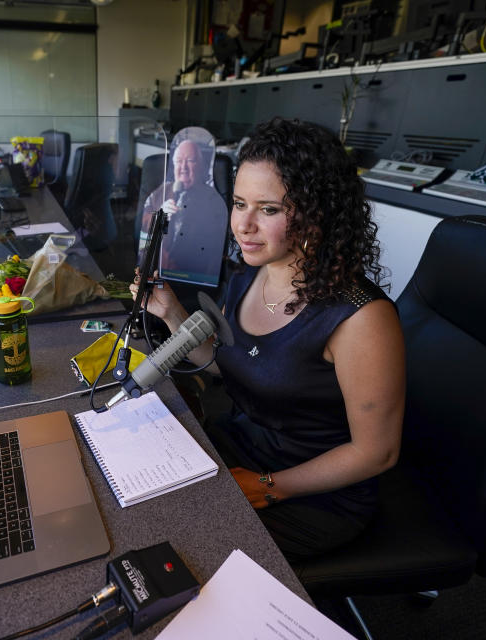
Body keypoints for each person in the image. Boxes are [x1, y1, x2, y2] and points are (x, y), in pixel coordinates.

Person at [131, 118, 406, 559]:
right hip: (244, 447)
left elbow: (376, 452)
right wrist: (171, 313)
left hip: (315, 492)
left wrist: (270, 487)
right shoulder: (247, 275)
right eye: (239, 204)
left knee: (179, 552)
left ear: (317, 214)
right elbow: (229, 362)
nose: (244, 225)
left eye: (269, 209)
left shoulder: (361, 318)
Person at [141, 138, 227, 284]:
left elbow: (215, 247)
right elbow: (142, 224)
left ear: (201, 167)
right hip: (157, 271)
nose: (183, 167)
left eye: (190, 161)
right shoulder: (163, 191)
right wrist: (159, 216)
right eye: (179, 161)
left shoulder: (213, 199)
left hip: (191, 276)